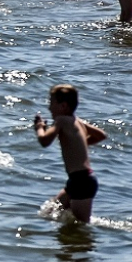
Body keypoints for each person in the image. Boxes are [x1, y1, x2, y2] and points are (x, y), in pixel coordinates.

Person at [33, 84, 107, 222]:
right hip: (77, 181)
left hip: (82, 181)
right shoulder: (77, 121)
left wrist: (39, 128)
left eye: (52, 103)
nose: (49, 108)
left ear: (63, 106)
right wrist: (77, 145)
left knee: (81, 227)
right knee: (48, 213)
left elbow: (44, 141)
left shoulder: (61, 120)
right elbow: (101, 135)